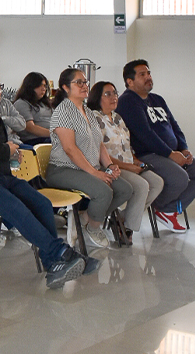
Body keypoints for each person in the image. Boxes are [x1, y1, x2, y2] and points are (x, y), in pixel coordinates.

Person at [0, 68, 100, 289]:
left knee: (42, 203)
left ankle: (52, 263)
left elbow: (0, 149)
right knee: (17, 209)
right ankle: (62, 252)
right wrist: (6, 150)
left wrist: (10, 155)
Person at [116, 59, 195, 233]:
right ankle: (162, 208)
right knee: (180, 178)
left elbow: (174, 126)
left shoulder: (157, 99)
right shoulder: (127, 101)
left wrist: (183, 149)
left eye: (149, 73)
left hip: (171, 153)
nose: (148, 77)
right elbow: (145, 134)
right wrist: (170, 154)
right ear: (130, 81)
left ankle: (169, 209)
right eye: (142, 74)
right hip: (147, 154)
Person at [46, 68, 134, 248]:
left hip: (88, 167)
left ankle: (84, 219)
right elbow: (70, 149)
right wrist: (95, 173)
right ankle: (93, 227)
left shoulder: (87, 110)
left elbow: (99, 143)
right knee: (103, 192)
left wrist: (109, 166)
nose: (84, 86)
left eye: (85, 82)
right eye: (78, 82)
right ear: (65, 87)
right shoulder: (63, 111)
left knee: (125, 189)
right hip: (64, 169)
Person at [88, 81, 164, 240]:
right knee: (142, 186)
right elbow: (100, 154)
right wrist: (129, 167)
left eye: (115, 93)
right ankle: (127, 228)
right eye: (108, 94)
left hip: (128, 165)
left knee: (157, 182)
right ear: (97, 97)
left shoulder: (117, 118)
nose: (114, 97)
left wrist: (136, 162)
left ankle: (121, 218)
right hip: (110, 167)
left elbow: (127, 147)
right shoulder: (94, 118)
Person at [14, 72, 54, 145]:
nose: (43, 89)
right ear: (31, 86)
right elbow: (30, 127)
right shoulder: (22, 103)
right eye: (40, 85)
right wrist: (54, 134)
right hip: (34, 140)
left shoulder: (45, 104)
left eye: (45, 86)